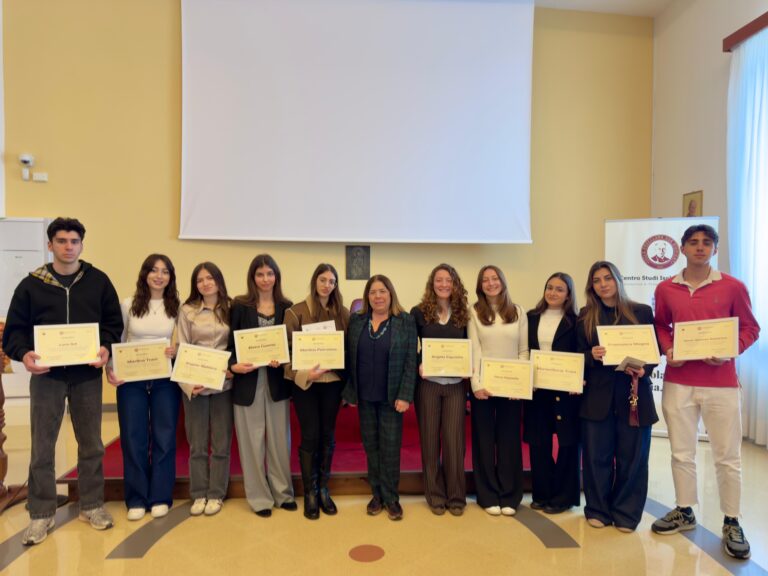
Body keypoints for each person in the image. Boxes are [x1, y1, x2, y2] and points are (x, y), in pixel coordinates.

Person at [2, 217, 123, 545]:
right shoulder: (30, 285)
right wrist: (25, 354)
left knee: (92, 443)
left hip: (86, 376)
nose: (68, 247)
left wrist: (105, 347)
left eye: (74, 241)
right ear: (50, 244)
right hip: (47, 378)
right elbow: (13, 333)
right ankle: (40, 514)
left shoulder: (98, 282)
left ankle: (92, 505)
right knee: (42, 445)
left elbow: (113, 324)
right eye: (62, 241)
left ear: (82, 244)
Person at [651, 225, 760, 560]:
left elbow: (750, 328)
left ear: (714, 249)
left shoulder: (733, 286)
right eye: (693, 243)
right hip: (679, 381)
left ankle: (732, 520)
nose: (700, 248)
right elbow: (660, 326)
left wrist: (731, 350)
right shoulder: (666, 288)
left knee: (728, 457)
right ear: (682, 248)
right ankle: (684, 510)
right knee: (681, 452)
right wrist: (668, 350)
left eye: (706, 243)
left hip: (722, 383)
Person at [576, 261, 657, 532]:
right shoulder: (585, 315)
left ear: (618, 280)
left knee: (632, 458)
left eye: (608, 278)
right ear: (592, 287)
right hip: (597, 398)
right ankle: (597, 508)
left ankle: (626, 513)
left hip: (633, 395)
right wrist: (591, 355)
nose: (603, 284)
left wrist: (646, 369)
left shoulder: (642, 312)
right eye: (597, 280)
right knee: (596, 456)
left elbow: (653, 353)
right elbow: (577, 356)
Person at [107, 254, 180, 521]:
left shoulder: (176, 307)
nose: (159, 276)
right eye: (154, 270)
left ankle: (161, 496)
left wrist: (177, 351)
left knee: (164, 437)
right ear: (144, 274)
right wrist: (110, 369)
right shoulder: (128, 304)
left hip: (165, 379)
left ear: (171, 277)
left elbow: (183, 342)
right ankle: (136, 498)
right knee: (133, 437)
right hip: (131, 380)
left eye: (165, 271)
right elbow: (119, 339)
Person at [343, 275, 417, 521]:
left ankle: (391, 497)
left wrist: (405, 395)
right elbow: (349, 357)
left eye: (382, 291)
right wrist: (351, 392)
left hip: (392, 398)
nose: (377, 296)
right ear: (367, 297)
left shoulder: (405, 321)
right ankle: (376, 494)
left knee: (390, 448)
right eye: (373, 292)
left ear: (390, 293)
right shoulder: (356, 321)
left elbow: (410, 361)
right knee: (371, 448)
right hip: (365, 397)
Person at [228, 254, 296, 517]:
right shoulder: (240, 306)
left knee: (280, 442)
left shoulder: (287, 307)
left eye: (270, 274)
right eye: (260, 274)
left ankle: (283, 493)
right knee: (251, 443)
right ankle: (259, 498)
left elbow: (292, 344)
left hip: (277, 382)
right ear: (252, 277)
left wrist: (285, 356)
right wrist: (234, 365)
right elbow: (229, 345)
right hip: (247, 383)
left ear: (276, 276)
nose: (265, 279)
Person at [283, 263, 350, 520]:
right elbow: (285, 354)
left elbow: (348, 350)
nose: (327, 285)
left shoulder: (343, 313)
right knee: (310, 435)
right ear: (315, 281)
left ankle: (323, 489)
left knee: (327, 435)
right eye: (323, 280)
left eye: (332, 281)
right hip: (306, 385)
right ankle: (310, 492)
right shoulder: (295, 312)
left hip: (332, 383)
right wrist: (303, 374)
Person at [468, 265, 528, 516]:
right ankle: (487, 494)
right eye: (485, 280)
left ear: (502, 281)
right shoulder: (474, 312)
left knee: (509, 439)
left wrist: (520, 383)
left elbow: (523, 351)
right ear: (480, 285)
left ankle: (510, 495)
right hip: (484, 385)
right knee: (483, 439)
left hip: (512, 387)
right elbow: (474, 348)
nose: (490, 283)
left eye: (494, 279)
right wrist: (476, 384)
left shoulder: (518, 311)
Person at [411, 264, 469, 516]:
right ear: (431, 283)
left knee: (455, 442)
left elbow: (472, 346)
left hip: (456, 386)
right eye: (439, 280)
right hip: (429, 386)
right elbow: (408, 347)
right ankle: (435, 495)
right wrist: (418, 365)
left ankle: (456, 496)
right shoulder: (419, 312)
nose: (444, 284)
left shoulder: (464, 313)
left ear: (455, 284)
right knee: (430, 441)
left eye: (448, 280)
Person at [177, 262, 233, 517]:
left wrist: (232, 368)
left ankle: (216, 494)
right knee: (197, 444)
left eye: (210, 278)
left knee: (221, 443)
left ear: (219, 280)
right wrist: (189, 384)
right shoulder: (187, 311)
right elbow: (180, 348)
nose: (205, 283)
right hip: (196, 386)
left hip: (224, 384)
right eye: (200, 280)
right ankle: (199, 492)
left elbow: (238, 344)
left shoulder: (232, 309)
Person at [524, 272, 581, 514]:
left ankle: (563, 497)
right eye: (549, 287)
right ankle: (542, 494)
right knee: (539, 444)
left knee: (567, 445)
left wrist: (576, 379)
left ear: (568, 294)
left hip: (566, 393)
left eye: (559, 289)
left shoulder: (576, 321)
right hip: (537, 391)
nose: (553, 293)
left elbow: (580, 353)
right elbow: (524, 350)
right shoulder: (530, 317)